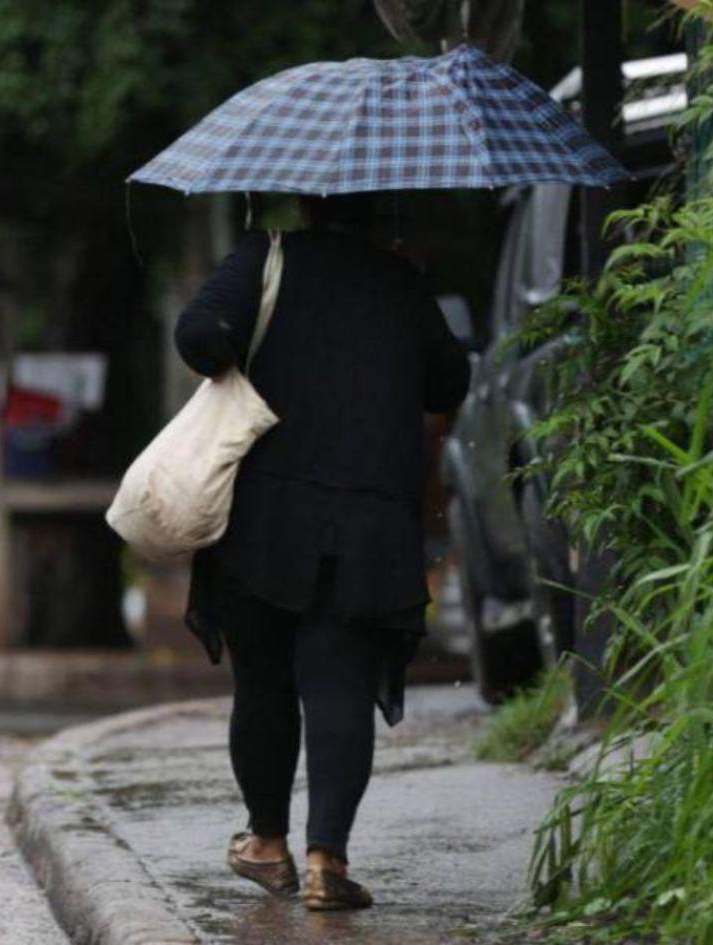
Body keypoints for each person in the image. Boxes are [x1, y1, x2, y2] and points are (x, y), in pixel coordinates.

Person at [174, 193, 471, 911]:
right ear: (382, 209)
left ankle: (266, 844)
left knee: (266, 684)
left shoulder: (264, 259)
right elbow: (449, 382)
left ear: (309, 200)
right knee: (338, 682)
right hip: (366, 522)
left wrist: (241, 355)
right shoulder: (398, 280)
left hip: (264, 519)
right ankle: (324, 862)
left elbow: (197, 335)